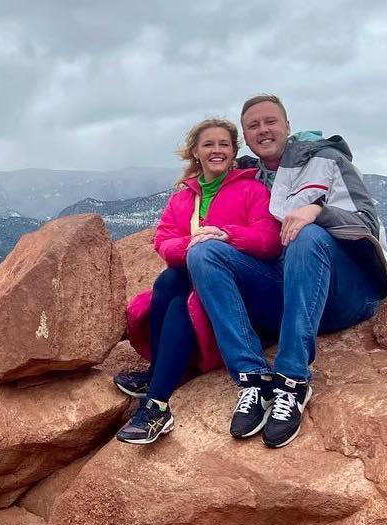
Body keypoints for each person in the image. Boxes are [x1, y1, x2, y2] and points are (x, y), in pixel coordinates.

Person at [185, 93, 387, 448]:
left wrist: (317, 211)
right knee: (205, 252)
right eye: (253, 125)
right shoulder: (248, 175)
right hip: (289, 295)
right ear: (246, 138)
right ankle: (254, 380)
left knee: (307, 235)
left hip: (346, 293)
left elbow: (367, 223)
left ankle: (292, 380)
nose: (263, 130)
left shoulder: (326, 160)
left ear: (287, 126)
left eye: (270, 121)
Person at [113, 117, 282, 444]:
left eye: (224, 144)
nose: (217, 150)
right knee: (169, 286)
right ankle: (157, 391)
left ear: (234, 151)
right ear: (195, 152)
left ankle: (156, 395)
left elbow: (268, 241)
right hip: (197, 288)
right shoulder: (183, 199)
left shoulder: (252, 189)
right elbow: (163, 242)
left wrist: (223, 237)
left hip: (240, 294)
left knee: (182, 290)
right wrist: (192, 244)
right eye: (209, 144)